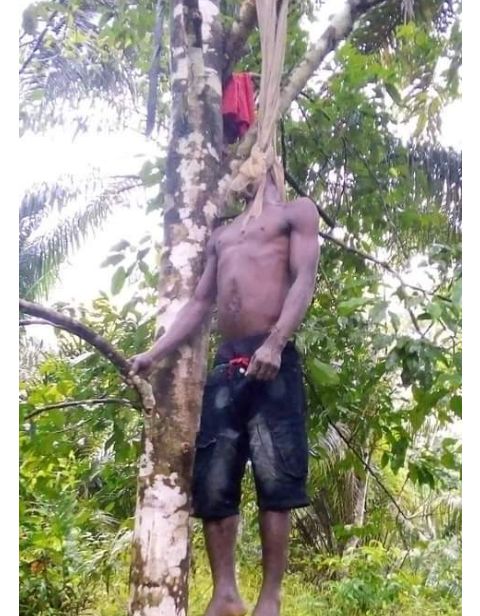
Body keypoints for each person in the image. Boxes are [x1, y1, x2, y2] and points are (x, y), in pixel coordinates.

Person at [129, 172, 320, 616]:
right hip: (228, 363)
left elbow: (304, 280)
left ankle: (270, 597)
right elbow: (199, 303)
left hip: (272, 357)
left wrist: (276, 342)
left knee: (277, 477)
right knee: (213, 479)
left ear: (265, 161)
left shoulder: (296, 212)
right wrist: (154, 354)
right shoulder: (222, 234)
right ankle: (225, 594)